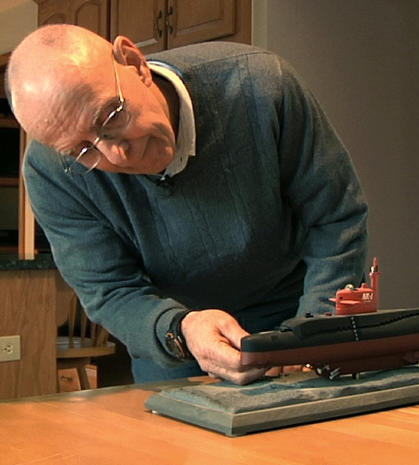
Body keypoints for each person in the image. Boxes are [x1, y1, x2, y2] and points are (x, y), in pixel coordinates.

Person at [6, 24, 368, 385]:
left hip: (295, 307)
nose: (116, 155)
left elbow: (335, 219)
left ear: (134, 63)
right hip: (176, 336)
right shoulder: (52, 170)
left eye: (111, 117)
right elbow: (109, 289)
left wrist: (315, 331)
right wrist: (180, 330)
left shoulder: (259, 86)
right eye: (84, 151)